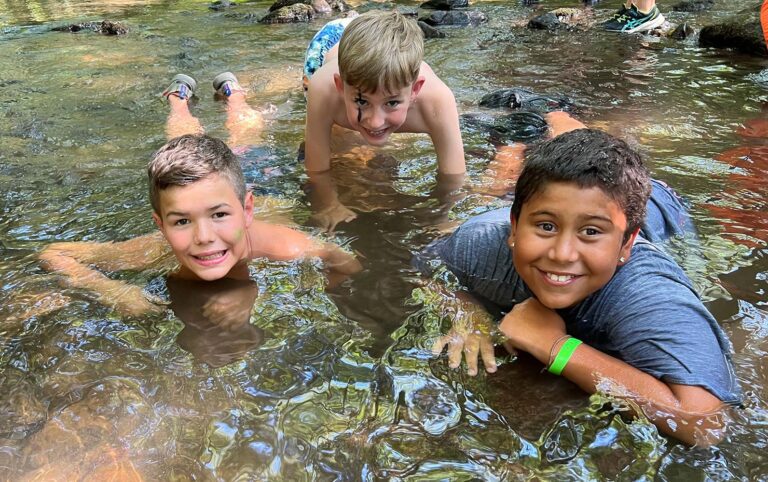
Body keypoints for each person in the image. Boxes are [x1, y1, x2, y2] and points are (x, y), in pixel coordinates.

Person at [418, 127, 740, 446]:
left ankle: (563, 122)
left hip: (663, 209)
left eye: (590, 233)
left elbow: (705, 422)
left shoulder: (646, 293)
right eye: (546, 226)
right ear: (514, 228)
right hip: (603, 206)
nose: (562, 254)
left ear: (626, 244)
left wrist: (557, 347)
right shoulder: (478, 245)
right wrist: (467, 313)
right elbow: (428, 271)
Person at [39, 134, 363, 317]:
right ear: (161, 226)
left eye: (219, 216)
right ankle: (179, 98)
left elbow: (344, 262)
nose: (203, 237)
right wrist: (115, 291)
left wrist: (257, 296)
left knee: (246, 133)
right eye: (181, 221)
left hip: (266, 184)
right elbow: (55, 253)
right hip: (222, 185)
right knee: (186, 131)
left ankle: (235, 95)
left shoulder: (286, 247)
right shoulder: (153, 248)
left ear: (245, 211)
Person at [303, 11, 466, 231]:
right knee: (342, 149)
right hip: (330, 41)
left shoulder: (437, 103)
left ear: (415, 90)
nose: (375, 122)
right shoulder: (323, 90)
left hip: (379, 49)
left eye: (391, 103)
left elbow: (454, 177)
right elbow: (317, 169)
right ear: (341, 87)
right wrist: (329, 205)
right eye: (362, 102)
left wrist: (441, 218)